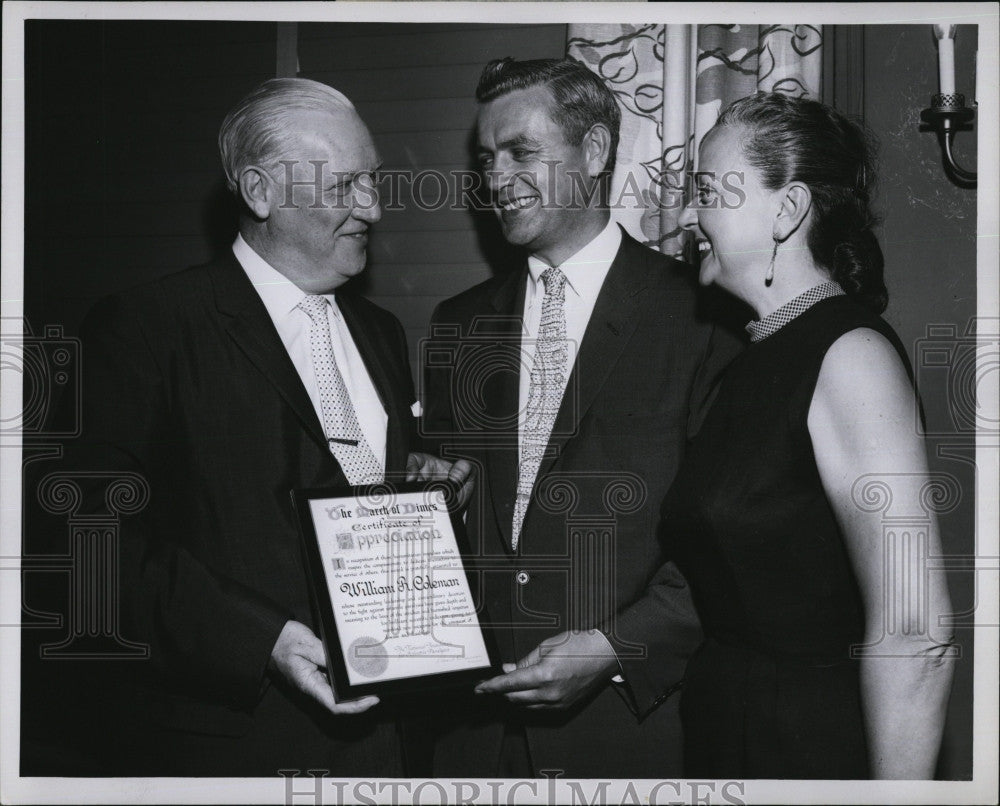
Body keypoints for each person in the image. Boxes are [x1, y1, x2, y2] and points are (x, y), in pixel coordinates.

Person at [57, 77, 463, 776]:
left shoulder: (383, 332)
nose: (372, 207)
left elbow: (344, 491)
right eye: (345, 186)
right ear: (259, 191)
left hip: (394, 746)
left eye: (374, 180)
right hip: (236, 750)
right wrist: (264, 640)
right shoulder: (148, 328)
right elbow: (86, 546)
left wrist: (418, 489)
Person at [421, 57, 741, 778]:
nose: (496, 179)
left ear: (594, 152)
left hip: (632, 737)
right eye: (486, 159)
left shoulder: (704, 316)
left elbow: (730, 541)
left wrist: (612, 648)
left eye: (521, 152)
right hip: (469, 736)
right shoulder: (456, 325)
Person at [667, 91, 955, 779]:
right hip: (732, 734)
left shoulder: (850, 357)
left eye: (707, 192)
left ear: (787, 210)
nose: (686, 215)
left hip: (806, 751)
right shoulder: (755, 357)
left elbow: (915, 634)